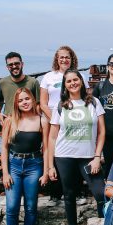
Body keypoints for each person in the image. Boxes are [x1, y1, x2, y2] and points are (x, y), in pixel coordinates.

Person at [47, 70, 106, 225]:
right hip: (64, 156)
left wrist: (97, 156)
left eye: (75, 79)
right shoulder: (61, 105)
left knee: (100, 192)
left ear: (81, 81)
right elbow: (52, 137)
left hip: (88, 157)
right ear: (65, 85)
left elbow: (102, 132)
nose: (72, 83)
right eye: (68, 81)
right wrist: (50, 165)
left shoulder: (94, 102)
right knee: (69, 194)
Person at [0, 88, 49, 225]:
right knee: (12, 206)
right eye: (21, 100)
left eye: (27, 99)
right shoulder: (10, 121)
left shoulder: (42, 121)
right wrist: (5, 173)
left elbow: (46, 148)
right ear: (16, 104)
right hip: (13, 165)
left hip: (34, 165)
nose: (25, 102)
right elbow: (4, 148)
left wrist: (45, 172)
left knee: (30, 205)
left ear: (33, 99)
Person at [40, 46, 79, 206]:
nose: (64, 60)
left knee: (73, 153)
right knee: (52, 152)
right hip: (53, 121)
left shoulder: (77, 76)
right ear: (57, 59)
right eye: (61, 57)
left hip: (74, 121)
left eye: (67, 57)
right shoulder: (49, 77)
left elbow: (85, 98)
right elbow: (43, 103)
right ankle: (54, 193)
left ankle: (75, 192)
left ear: (72, 59)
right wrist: (55, 119)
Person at [0, 52, 41, 124]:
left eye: (16, 63)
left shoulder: (33, 82)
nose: (14, 66)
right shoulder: (2, 82)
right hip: (9, 122)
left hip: (28, 122)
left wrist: (37, 120)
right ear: (7, 67)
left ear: (22, 64)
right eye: (10, 65)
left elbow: (38, 103)